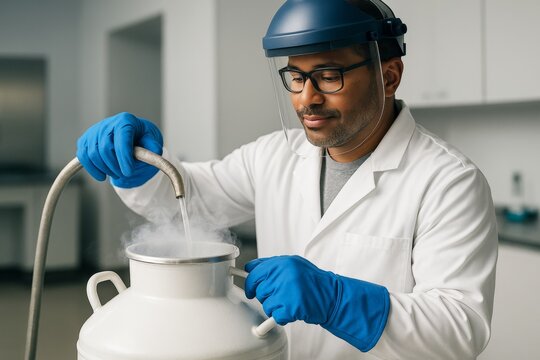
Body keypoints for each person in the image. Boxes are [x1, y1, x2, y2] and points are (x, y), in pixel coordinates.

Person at [76, 0, 498, 359]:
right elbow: (190, 202)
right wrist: (141, 166)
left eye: (329, 75)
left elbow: (460, 329)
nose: (306, 97)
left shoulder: (448, 181)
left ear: (388, 75)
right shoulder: (275, 155)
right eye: (296, 77)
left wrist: (337, 300)